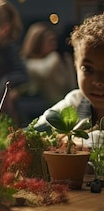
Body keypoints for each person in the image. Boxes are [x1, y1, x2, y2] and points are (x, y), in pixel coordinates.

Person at [34, 13, 104, 148]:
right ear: (75, 66)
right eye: (88, 69)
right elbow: (35, 132)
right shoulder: (76, 101)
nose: (99, 81)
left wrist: (69, 142)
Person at [18, 21, 77, 121]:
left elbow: (72, 85)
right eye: (49, 41)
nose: (54, 45)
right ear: (37, 43)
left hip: (64, 109)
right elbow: (43, 72)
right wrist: (54, 57)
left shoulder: (63, 60)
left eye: (54, 40)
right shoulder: (28, 63)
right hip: (37, 112)